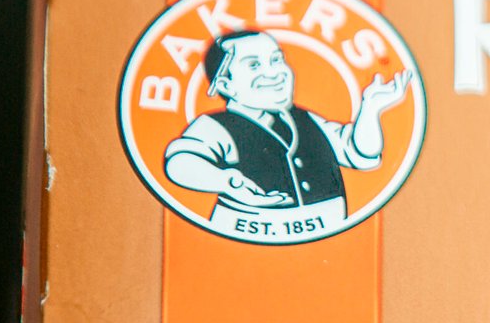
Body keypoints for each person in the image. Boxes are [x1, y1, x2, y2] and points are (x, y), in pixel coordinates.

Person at [163, 30, 410, 230]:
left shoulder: (306, 119)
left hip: (330, 235)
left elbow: (360, 153)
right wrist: (228, 182)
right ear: (226, 85)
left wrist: (371, 109)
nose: (274, 73)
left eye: (276, 60)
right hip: (247, 238)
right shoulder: (215, 126)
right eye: (254, 65)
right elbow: (181, 162)